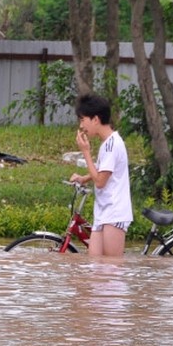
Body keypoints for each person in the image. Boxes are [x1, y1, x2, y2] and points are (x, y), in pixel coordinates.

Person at [68, 93, 132, 257]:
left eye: (83, 120)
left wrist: (86, 152)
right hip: (103, 211)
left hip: (114, 211)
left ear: (95, 119)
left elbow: (101, 182)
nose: (81, 126)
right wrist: (84, 178)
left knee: (111, 271)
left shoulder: (111, 145)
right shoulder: (107, 144)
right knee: (95, 268)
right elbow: (103, 170)